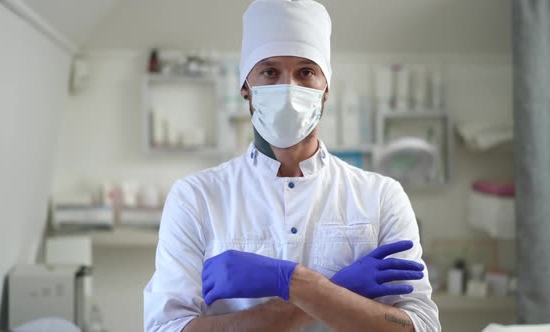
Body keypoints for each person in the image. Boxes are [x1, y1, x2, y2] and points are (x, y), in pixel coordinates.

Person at [144, 0, 440, 331]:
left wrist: (295, 282)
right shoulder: (197, 198)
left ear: (326, 88)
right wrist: (338, 290)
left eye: (306, 72)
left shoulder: (381, 196)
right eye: (270, 72)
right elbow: (166, 328)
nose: (288, 89)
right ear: (246, 87)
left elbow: (422, 327)